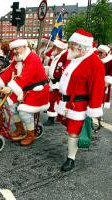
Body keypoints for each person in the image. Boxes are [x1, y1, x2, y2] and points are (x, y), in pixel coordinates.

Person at [56, 29, 105, 172]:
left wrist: (94, 109)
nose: (69, 47)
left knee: (73, 132)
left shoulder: (94, 63)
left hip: (79, 106)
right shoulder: (74, 57)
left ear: (81, 47)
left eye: (72, 44)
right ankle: (73, 150)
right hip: (67, 103)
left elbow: (97, 88)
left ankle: (71, 158)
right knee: (70, 130)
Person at [0, 39, 50, 146]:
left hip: (38, 90)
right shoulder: (18, 59)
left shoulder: (33, 58)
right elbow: (9, 72)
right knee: (9, 104)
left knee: (23, 111)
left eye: (17, 48)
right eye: (13, 49)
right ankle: (20, 129)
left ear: (24, 47)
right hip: (24, 89)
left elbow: (24, 77)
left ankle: (31, 135)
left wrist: (11, 89)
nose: (15, 51)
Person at [43, 40, 68, 126]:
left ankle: (51, 119)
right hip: (53, 81)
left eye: (55, 47)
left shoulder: (64, 55)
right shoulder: (58, 55)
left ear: (59, 47)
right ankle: (56, 116)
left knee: (52, 100)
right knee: (53, 100)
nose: (53, 48)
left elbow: (62, 69)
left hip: (57, 82)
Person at [98, 45, 112, 109]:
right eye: (98, 52)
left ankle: (99, 114)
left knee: (103, 98)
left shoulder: (110, 60)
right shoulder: (96, 59)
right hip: (96, 81)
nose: (99, 54)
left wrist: (107, 82)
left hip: (105, 82)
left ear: (106, 53)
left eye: (101, 52)